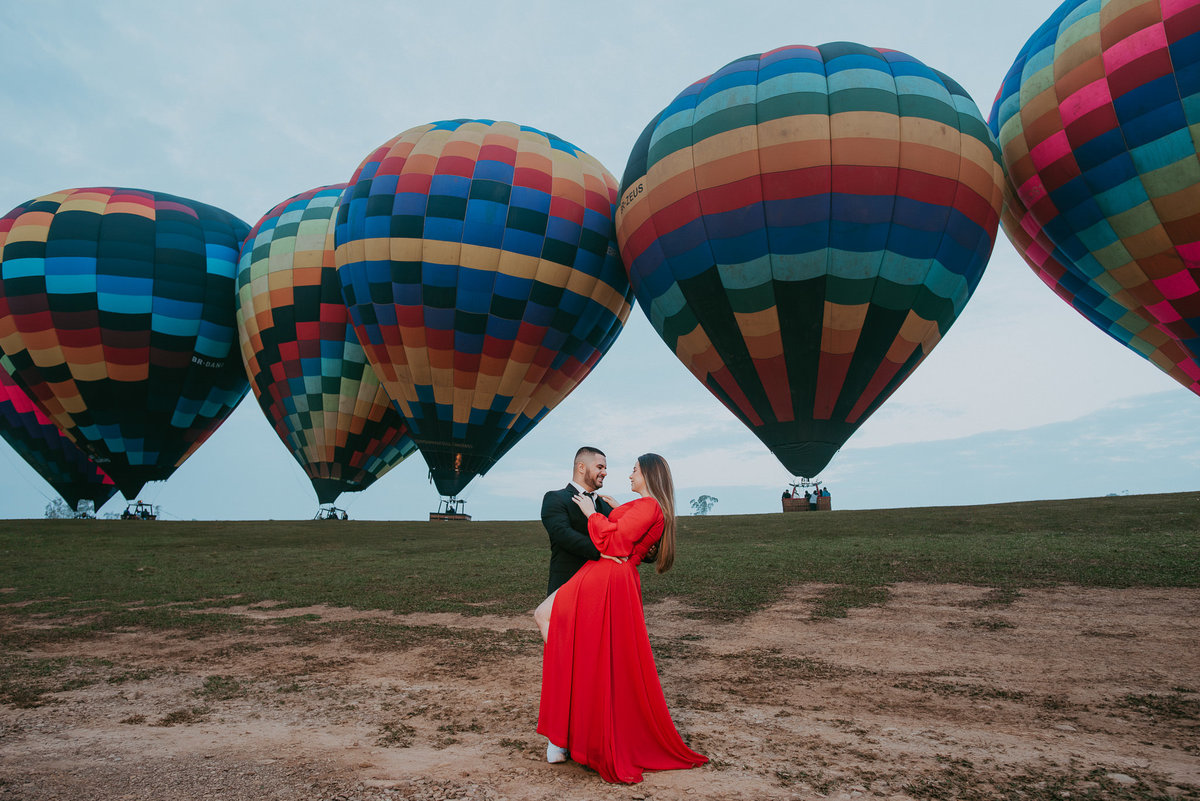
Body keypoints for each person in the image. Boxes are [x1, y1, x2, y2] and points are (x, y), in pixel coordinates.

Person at [534, 453, 708, 784]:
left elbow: (617, 540)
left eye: (634, 470)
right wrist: (611, 512)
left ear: (649, 476)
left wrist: (593, 516)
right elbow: (616, 533)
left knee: (556, 629)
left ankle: (569, 730)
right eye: (602, 466)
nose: (626, 474)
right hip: (600, 577)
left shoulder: (644, 506)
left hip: (604, 577)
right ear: (581, 467)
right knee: (569, 637)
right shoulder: (639, 506)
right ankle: (568, 729)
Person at [540, 446, 615, 596]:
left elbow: (619, 534)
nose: (605, 473)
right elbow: (563, 534)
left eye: (605, 468)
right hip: (568, 586)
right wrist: (602, 551)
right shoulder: (555, 498)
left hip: (602, 587)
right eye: (600, 467)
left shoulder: (606, 504)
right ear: (581, 467)